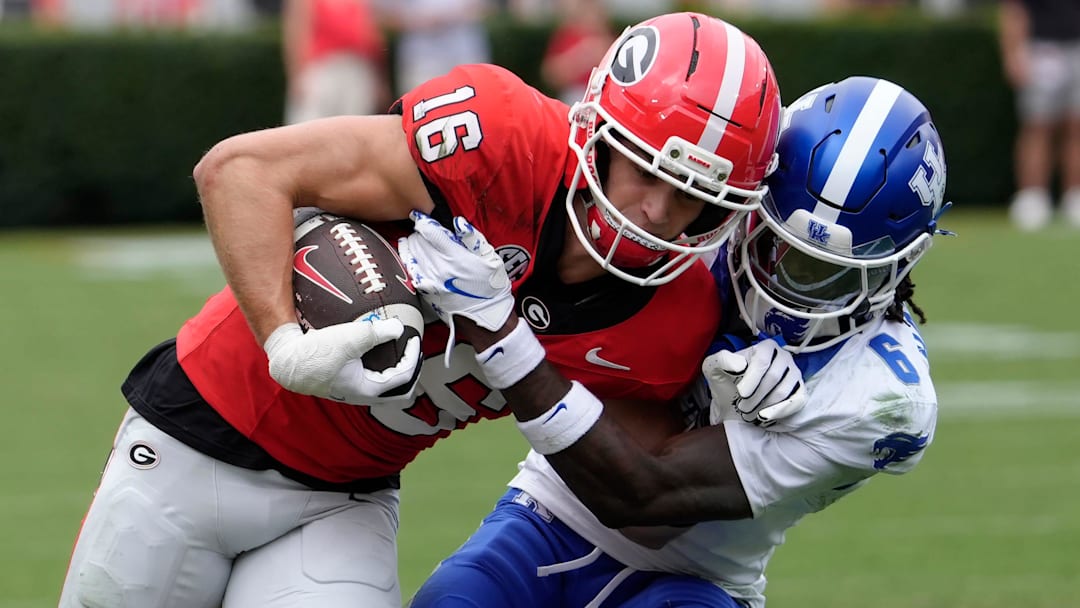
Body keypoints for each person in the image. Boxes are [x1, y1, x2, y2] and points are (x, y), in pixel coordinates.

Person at [58, 13, 786, 608]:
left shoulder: (676, 315)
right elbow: (240, 170)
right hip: (196, 436)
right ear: (596, 131)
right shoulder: (503, 141)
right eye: (645, 169)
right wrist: (283, 340)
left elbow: (637, 502)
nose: (657, 213)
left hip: (340, 502)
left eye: (696, 196)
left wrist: (726, 412)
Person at [404, 75, 949, 608]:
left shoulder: (882, 397)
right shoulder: (688, 215)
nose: (777, 280)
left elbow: (648, 504)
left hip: (703, 576)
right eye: (767, 242)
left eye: (816, 272)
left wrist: (501, 336)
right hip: (556, 512)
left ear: (896, 268)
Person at [999, 0, 1080, 230]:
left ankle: (1075, 195)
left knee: (1076, 126)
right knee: (1037, 126)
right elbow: (1014, 9)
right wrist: (1012, 52)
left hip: (1077, 45)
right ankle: (1032, 196)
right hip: (1041, 48)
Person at [283, 0, 388, 125]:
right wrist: (297, 76)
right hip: (322, 67)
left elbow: (370, 35)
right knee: (310, 125)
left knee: (354, 128)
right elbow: (298, 31)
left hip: (357, 68)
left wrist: (379, 79)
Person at [373, 0, 492, 97]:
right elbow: (382, 14)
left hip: (465, 55)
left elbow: (486, 7)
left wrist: (449, 16)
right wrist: (417, 21)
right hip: (421, 61)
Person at [540, 0, 614, 105]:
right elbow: (550, 75)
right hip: (575, 95)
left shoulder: (608, 38)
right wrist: (581, 57)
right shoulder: (567, 35)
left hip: (602, 96)